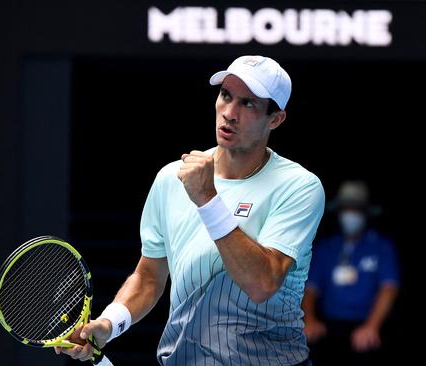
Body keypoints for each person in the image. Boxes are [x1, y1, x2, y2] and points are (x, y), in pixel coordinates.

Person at [56, 55, 325, 365]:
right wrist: (108, 324)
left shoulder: (300, 187)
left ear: (275, 119)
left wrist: (208, 198)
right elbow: (149, 277)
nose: (230, 113)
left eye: (248, 104)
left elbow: (262, 284)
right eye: (226, 95)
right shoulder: (172, 178)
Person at [302, 181, 399, 366]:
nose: (350, 214)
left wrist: (372, 326)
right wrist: (310, 319)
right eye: (347, 208)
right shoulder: (326, 247)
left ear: (365, 212)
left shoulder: (381, 247)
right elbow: (310, 287)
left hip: (368, 325)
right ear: (339, 211)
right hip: (329, 327)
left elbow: (389, 287)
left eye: (356, 209)